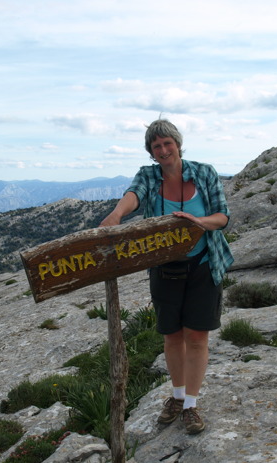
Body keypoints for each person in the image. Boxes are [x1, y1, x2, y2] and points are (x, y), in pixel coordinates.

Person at [99, 119, 233, 434]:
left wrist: (198, 222)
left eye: (167, 143)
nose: (163, 150)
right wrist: (117, 215)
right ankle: (176, 396)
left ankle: (190, 405)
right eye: (156, 146)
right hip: (164, 268)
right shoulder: (150, 176)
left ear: (177, 143)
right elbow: (135, 194)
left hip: (203, 264)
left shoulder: (204, 173)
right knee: (172, 336)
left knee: (197, 336)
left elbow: (223, 216)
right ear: (151, 152)